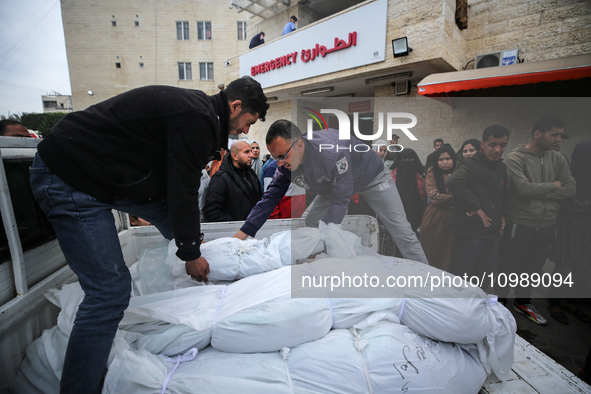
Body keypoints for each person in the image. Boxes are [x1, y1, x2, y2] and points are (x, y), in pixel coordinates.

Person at [28, 76, 268, 393]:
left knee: (179, 239)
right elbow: (182, 192)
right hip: (69, 177)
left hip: (100, 179)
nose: (245, 132)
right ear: (235, 106)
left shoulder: (199, 115)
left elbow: (166, 200)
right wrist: (191, 254)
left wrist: (192, 245)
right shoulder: (197, 119)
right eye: (248, 122)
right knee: (110, 293)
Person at [234, 119, 428, 264]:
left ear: (299, 145)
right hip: (334, 185)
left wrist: (323, 234)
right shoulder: (286, 164)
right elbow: (270, 198)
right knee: (312, 222)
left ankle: (426, 276)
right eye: (276, 157)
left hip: (372, 178)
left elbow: (342, 199)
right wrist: (244, 232)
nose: (280, 163)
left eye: (283, 156)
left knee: (400, 228)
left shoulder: (330, 153)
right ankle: (324, 265)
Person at [501, 116, 575, 325]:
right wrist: (555, 185)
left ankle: (523, 302)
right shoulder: (516, 158)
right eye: (555, 134)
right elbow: (521, 189)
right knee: (510, 265)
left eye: (561, 135)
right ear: (537, 134)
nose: (559, 139)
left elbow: (570, 188)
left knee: (533, 268)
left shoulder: (558, 158)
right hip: (520, 222)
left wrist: (538, 190)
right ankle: (499, 304)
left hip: (548, 224)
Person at [446, 125, 509, 281]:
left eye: (502, 145)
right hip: (470, 231)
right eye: (492, 144)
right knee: (464, 275)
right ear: (482, 145)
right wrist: (477, 208)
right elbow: (454, 182)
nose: (497, 150)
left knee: (486, 275)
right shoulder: (470, 165)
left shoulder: (501, 167)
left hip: (492, 231)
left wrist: (502, 214)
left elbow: (501, 194)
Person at [548, 141, 591, 324]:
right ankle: (554, 303)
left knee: (581, 270)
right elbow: (570, 204)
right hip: (569, 230)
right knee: (564, 269)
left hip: (586, 233)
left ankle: (571, 302)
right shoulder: (570, 177)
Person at [203, 140, 262, 222]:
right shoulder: (221, 178)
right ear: (234, 156)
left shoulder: (251, 175)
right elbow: (211, 211)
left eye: (251, 151)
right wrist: (235, 222)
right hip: (233, 231)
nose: (251, 155)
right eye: (246, 152)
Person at [419, 145, 457, 271]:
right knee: (432, 251)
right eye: (441, 160)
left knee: (450, 252)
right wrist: (457, 195)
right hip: (435, 218)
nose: (445, 162)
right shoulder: (431, 175)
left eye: (448, 158)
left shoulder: (460, 174)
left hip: (454, 218)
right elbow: (435, 197)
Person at [389, 148, 425, 233]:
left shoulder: (420, 178)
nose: (407, 162)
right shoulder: (392, 178)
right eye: (404, 160)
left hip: (416, 210)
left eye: (410, 160)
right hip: (397, 211)